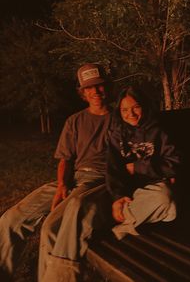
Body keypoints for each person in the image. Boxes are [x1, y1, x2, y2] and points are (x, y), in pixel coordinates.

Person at [0, 63, 112, 282]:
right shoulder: (75, 121)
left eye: (99, 86)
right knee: (10, 219)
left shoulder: (121, 118)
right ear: (83, 92)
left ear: (107, 87)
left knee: (52, 227)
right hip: (74, 178)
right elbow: (65, 160)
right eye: (89, 88)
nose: (96, 92)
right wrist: (62, 185)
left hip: (99, 182)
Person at [106, 85, 180, 240]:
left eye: (136, 107)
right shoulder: (117, 134)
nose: (130, 114)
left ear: (144, 107)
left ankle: (125, 222)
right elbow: (113, 168)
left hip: (153, 186)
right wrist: (118, 197)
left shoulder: (159, 131)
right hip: (129, 189)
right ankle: (132, 217)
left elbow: (173, 164)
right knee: (169, 208)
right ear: (119, 111)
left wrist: (138, 167)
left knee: (166, 201)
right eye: (124, 110)